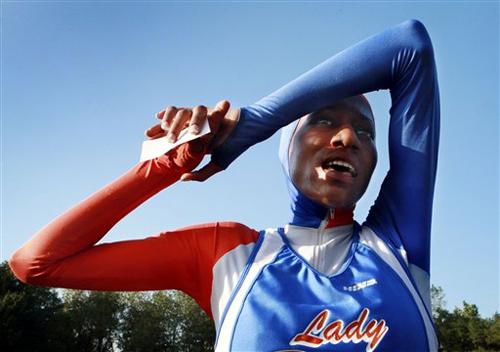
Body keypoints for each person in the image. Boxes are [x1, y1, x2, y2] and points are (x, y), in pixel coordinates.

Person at [9, 19, 439, 351]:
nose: (348, 138)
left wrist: (256, 121)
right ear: (287, 149)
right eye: (324, 121)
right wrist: (166, 166)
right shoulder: (228, 254)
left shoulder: (397, 245)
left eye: (365, 132)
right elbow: (37, 263)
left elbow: (411, 46)